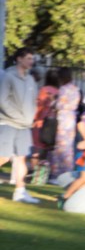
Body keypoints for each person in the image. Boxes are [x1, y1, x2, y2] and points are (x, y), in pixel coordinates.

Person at [0, 48, 39, 203]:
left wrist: (31, 117)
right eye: (28, 58)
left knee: (21, 158)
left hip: (24, 126)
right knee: (3, 157)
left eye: (32, 58)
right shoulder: (8, 76)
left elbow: (34, 101)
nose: (31, 61)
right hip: (8, 123)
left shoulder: (30, 80)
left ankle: (20, 192)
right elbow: (2, 100)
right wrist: (16, 116)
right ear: (19, 59)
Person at [48, 68, 81, 181]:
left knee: (59, 147)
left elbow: (59, 105)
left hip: (62, 118)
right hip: (71, 119)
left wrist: (52, 101)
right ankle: (68, 172)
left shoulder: (63, 89)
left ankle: (57, 173)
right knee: (68, 147)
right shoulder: (75, 89)